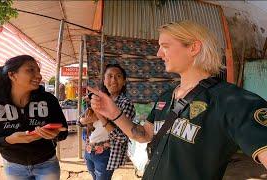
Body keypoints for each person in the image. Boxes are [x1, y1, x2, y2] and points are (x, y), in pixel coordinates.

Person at [88, 20, 267, 180]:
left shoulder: (231, 101)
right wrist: (113, 113)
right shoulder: (166, 97)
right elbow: (143, 135)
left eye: (165, 46)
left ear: (193, 48)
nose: (159, 53)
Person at [0, 55, 68, 180]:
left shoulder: (49, 100)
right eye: (31, 70)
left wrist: (54, 134)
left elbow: (63, 131)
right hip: (13, 166)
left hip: (47, 163)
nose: (39, 76)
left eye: (38, 71)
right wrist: (8, 140)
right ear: (12, 75)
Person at [80, 63, 136, 180]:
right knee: (94, 176)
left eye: (118, 76)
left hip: (106, 153)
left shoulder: (126, 104)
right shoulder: (97, 98)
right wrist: (85, 119)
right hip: (89, 149)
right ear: (104, 81)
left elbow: (122, 137)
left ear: (124, 81)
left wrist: (100, 115)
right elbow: (79, 121)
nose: (113, 80)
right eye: (109, 76)